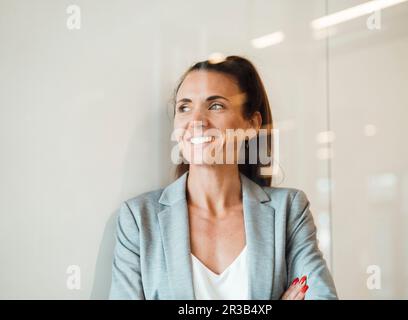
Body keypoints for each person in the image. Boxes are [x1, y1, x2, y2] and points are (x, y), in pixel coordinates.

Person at [109, 55, 338, 300]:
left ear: (252, 124)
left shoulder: (289, 210)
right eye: (184, 107)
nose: (196, 121)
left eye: (215, 105)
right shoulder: (138, 218)